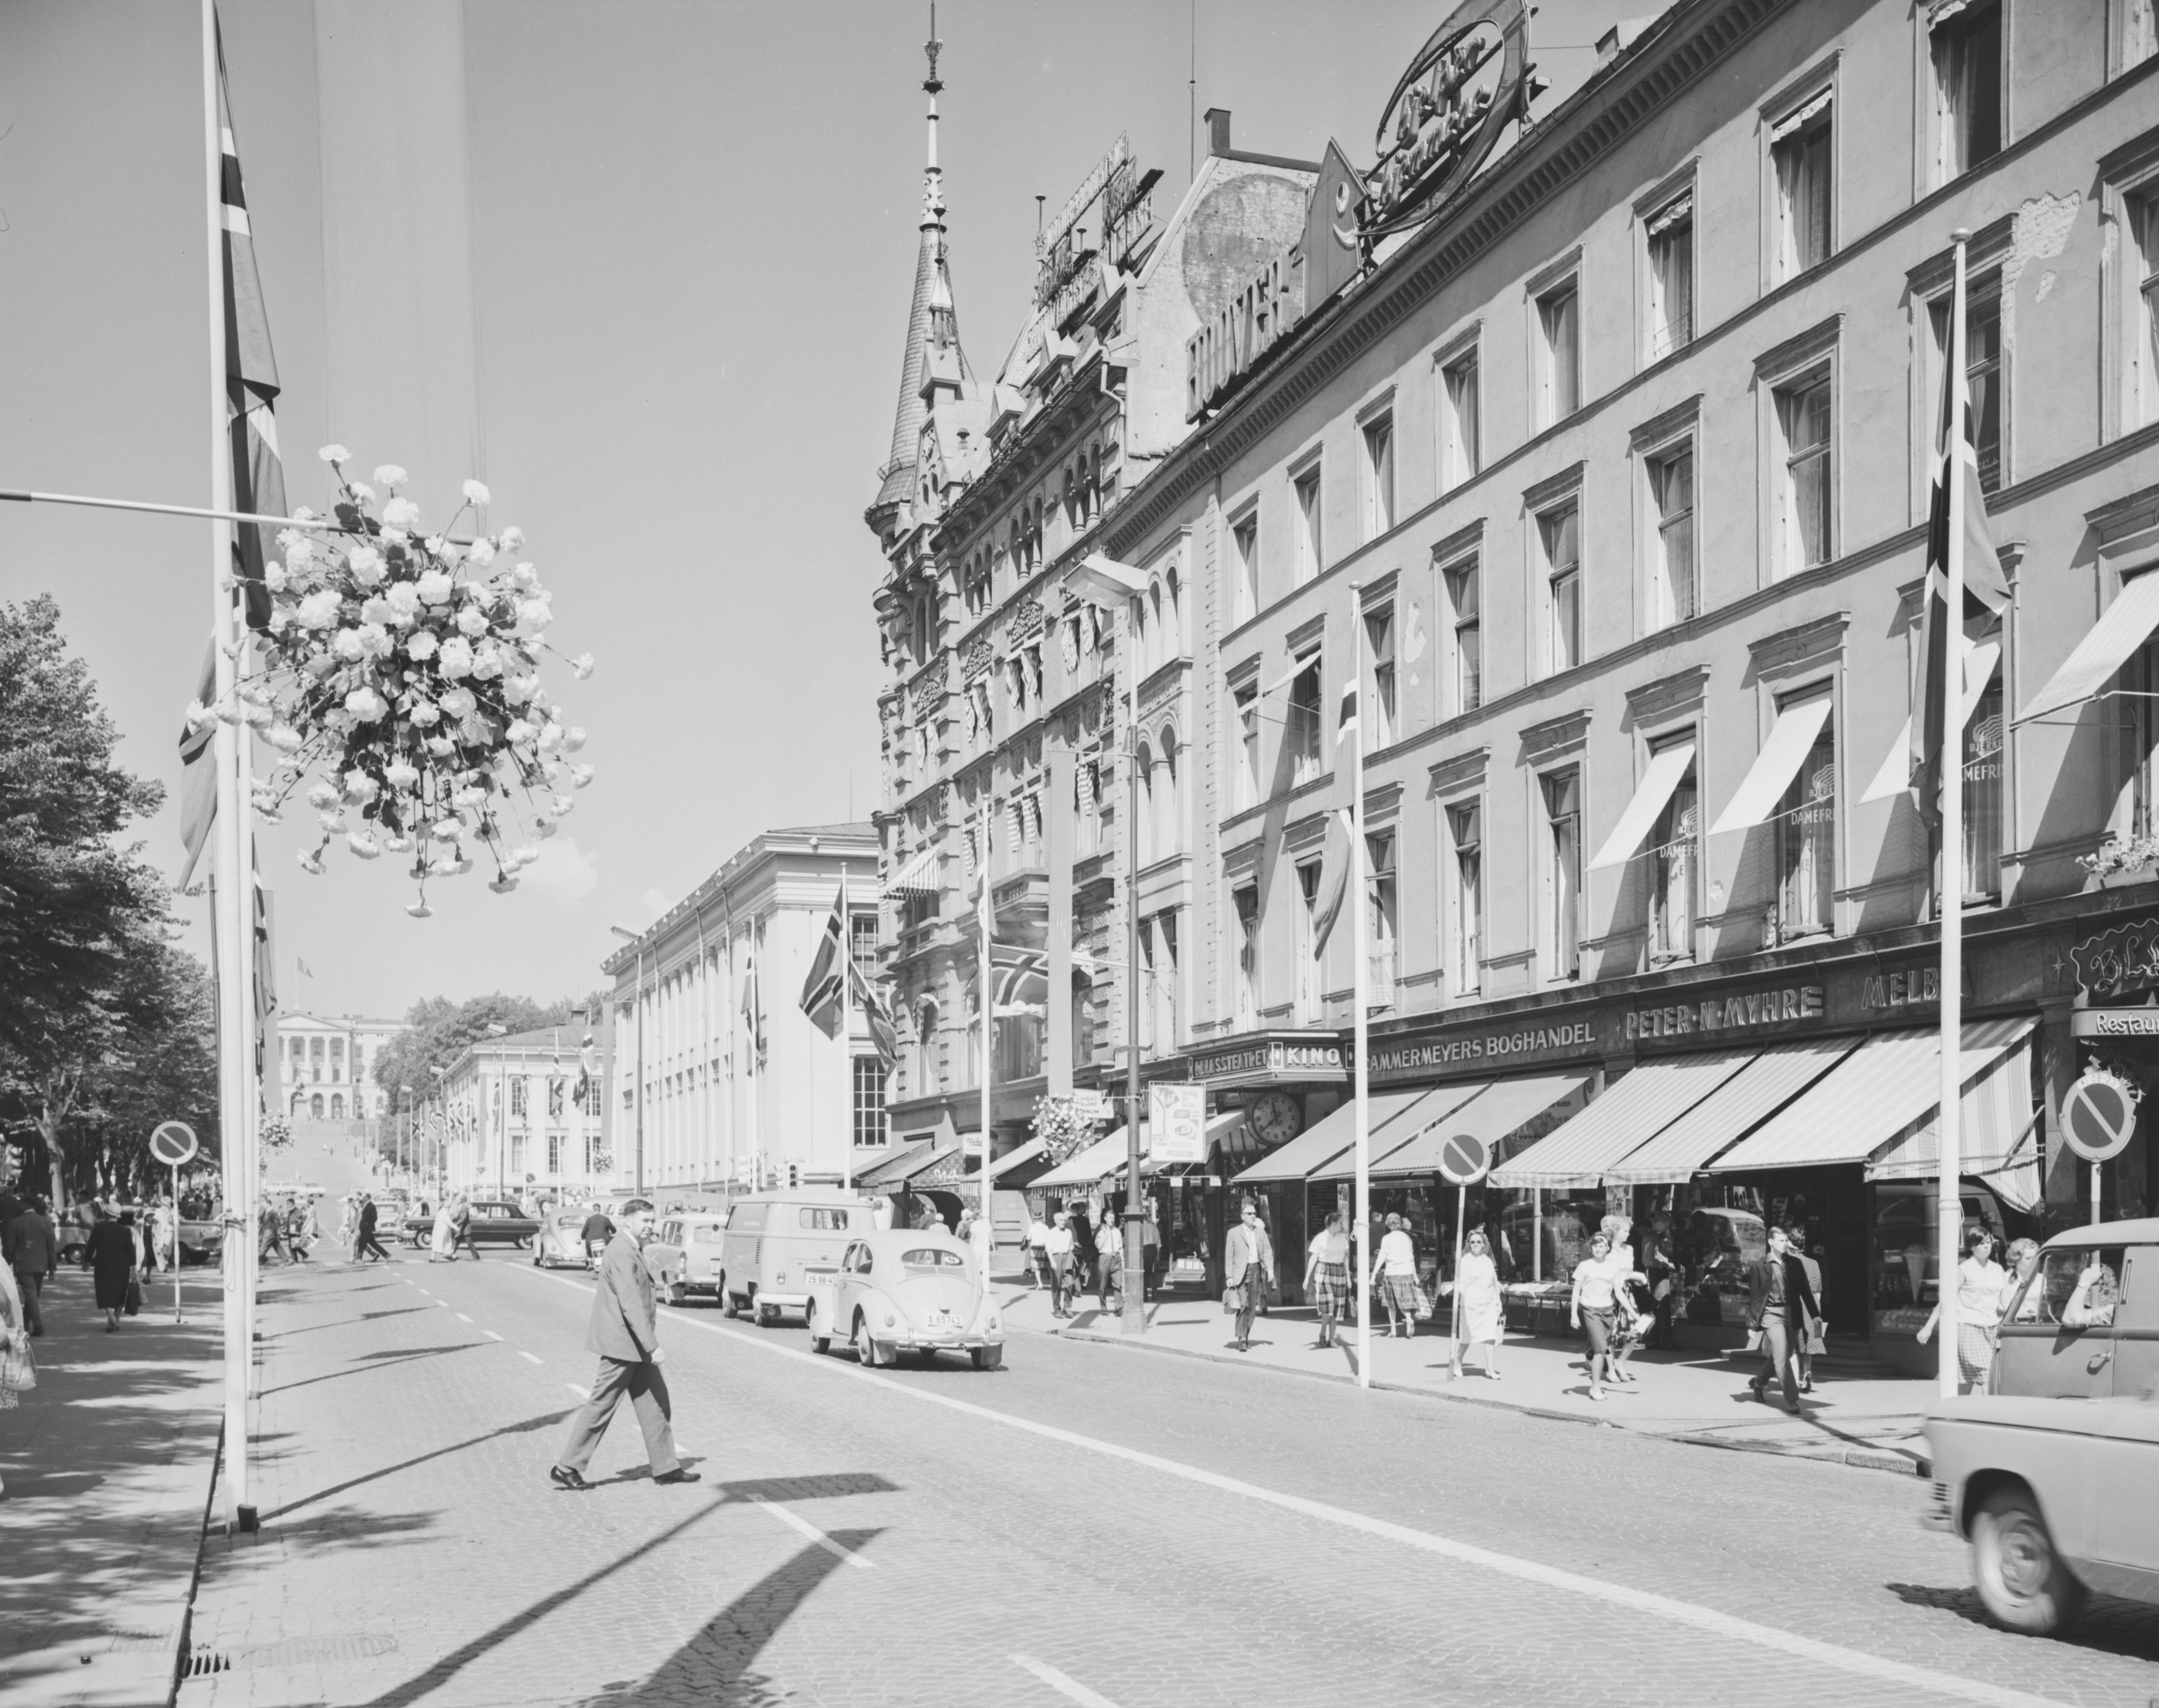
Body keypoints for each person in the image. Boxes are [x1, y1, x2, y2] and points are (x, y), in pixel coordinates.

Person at [550, 1199, 696, 1490]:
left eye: (652, 1221)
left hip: (633, 1344)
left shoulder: (629, 1248)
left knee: (656, 1403)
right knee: (601, 1405)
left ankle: (666, 1467)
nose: (650, 1227)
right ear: (628, 1220)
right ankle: (567, 1466)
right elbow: (631, 1303)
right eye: (645, 1221)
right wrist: (653, 1346)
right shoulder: (621, 1251)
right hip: (623, 1344)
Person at [1914, 1228, 2007, 1392]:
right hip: (1968, 1326)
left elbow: (2006, 1303)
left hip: (1992, 1327)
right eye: (1981, 1244)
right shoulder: (1964, 1270)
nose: (1987, 1247)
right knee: (1988, 1373)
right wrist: (1928, 1327)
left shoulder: (1998, 1269)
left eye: (1988, 1243)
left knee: (1966, 1381)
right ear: (1972, 1247)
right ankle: (1994, 1414)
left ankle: (1957, 1413)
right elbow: (1946, 1301)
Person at [1746, 1223, 1820, 1412]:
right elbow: (1755, 1298)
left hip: (1792, 1313)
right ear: (1771, 1242)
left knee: (1783, 1356)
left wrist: (1816, 1316)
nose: (1786, 1244)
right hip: (1771, 1315)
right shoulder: (1759, 1266)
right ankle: (1792, 1400)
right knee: (1782, 1358)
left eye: (1787, 1240)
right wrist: (1752, 1325)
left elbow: (1805, 1291)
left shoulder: (1795, 1263)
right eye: (1782, 1241)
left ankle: (1759, 1383)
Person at [1570, 1231, 1626, 1400]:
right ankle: (1595, 1388)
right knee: (1601, 1349)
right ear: (1591, 1248)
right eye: (1595, 1246)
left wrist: (1635, 1315)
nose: (1598, 1249)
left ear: (1608, 1248)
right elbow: (1576, 1291)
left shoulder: (1613, 1268)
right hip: (1590, 1310)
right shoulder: (1585, 1266)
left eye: (1602, 1246)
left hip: (1607, 1311)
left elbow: (1619, 1293)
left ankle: (1597, 1383)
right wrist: (1574, 1314)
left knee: (1602, 1349)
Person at [1450, 1228, 1504, 1380]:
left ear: (1484, 1245)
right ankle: (1458, 1363)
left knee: (1490, 1337)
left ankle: (1490, 1369)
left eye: (1478, 1242)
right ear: (1469, 1244)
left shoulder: (1488, 1261)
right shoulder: (1465, 1261)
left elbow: (1494, 1282)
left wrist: (1498, 1303)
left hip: (1488, 1305)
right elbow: (1461, 1283)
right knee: (1467, 1339)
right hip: (1471, 1305)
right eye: (1472, 1242)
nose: (1475, 1244)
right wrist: (1464, 1298)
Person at [1223, 1198, 1275, 1352]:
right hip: (1240, 1272)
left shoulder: (1260, 1232)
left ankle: (1245, 1335)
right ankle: (1242, 1339)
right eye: (1249, 1214)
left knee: (1252, 1307)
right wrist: (1229, 1277)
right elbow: (1229, 1257)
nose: (1253, 1216)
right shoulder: (1233, 1233)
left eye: (1254, 1213)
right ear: (1242, 1216)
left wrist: (1270, 1270)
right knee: (1243, 1304)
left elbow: (1267, 1252)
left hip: (1255, 1270)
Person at [4, 1198, 57, 1338]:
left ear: (26, 1204)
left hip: (23, 1264)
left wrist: (5, 1265)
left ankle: (38, 1325)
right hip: (42, 1265)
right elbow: (51, 1246)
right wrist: (53, 1268)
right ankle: (26, 1324)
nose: (19, 1205)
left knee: (31, 1295)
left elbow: (9, 1248)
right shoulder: (46, 1221)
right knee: (33, 1295)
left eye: (21, 1203)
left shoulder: (15, 1223)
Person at [1303, 1210, 1351, 1349]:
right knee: (1327, 1307)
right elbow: (1314, 1258)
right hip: (1324, 1272)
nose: (1342, 1226)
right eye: (1341, 1223)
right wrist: (1307, 1277)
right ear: (1334, 1224)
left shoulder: (1342, 1238)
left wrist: (1348, 1276)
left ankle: (1332, 1339)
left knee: (1336, 1308)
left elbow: (1345, 1257)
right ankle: (1323, 1333)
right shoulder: (1320, 1238)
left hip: (1339, 1272)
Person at [86, 1204, 137, 1333]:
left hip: (103, 1264)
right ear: (118, 1216)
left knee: (104, 1291)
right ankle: (117, 1321)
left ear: (107, 1214)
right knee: (120, 1292)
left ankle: (111, 1316)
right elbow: (131, 1250)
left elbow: (91, 1246)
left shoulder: (99, 1228)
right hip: (123, 1265)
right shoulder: (126, 1231)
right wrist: (134, 1268)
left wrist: (86, 1261)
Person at [1371, 1213, 1420, 1339]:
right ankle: (1409, 1318)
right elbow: (1411, 1259)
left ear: (1388, 1224)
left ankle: (1393, 1330)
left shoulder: (1387, 1239)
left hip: (1392, 1273)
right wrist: (1415, 1277)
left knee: (1391, 1304)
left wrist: (1374, 1275)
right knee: (1405, 1303)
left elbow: (1382, 1257)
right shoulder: (1407, 1238)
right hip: (1407, 1273)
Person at [1789, 1228, 1826, 1391]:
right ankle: (1808, 1372)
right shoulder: (1813, 1263)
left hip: (1797, 1304)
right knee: (1809, 1344)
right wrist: (1817, 1315)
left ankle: (1797, 1379)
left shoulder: (1789, 1262)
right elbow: (1818, 1292)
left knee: (1795, 1345)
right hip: (1812, 1307)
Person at [1044, 1211, 1076, 1319]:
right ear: (1056, 1221)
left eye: (1064, 1220)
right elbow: (1049, 1249)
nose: (1064, 1222)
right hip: (1056, 1258)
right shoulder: (1052, 1232)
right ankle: (1057, 1309)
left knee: (1070, 1283)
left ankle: (1067, 1307)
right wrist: (1052, 1262)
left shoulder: (1069, 1232)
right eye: (1061, 1220)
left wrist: (1072, 1247)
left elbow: (1071, 1245)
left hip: (1067, 1258)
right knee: (1056, 1285)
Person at [355, 1194, 393, 1263]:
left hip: (368, 1229)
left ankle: (359, 1258)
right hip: (366, 1229)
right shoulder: (366, 1205)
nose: (363, 1199)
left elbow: (375, 1218)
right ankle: (387, 1255)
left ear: (367, 1198)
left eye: (364, 1197)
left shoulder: (371, 1206)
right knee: (373, 1244)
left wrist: (367, 1224)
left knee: (362, 1243)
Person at [579, 1203, 615, 1269]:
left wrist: (583, 1237)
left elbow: (584, 1231)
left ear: (593, 1210)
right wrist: (612, 1232)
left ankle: (590, 1262)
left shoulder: (589, 1220)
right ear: (600, 1210)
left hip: (591, 1242)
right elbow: (614, 1229)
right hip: (603, 1242)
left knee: (589, 1249)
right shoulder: (606, 1219)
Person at [1025, 1213, 1052, 1291]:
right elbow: (1049, 1237)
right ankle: (1037, 1283)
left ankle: (1040, 1283)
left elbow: (1028, 1238)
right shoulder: (1046, 1227)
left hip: (1035, 1248)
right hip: (1044, 1248)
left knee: (1036, 1268)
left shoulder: (1032, 1227)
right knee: (1043, 1266)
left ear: (1034, 1218)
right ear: (1042, 1218)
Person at [451, 1195, 482, 1261]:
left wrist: (455, 1225)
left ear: (460, 1201)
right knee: (456, 1241)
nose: (456, 1202)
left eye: (457, 1200)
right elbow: (459, 1217)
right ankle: (451, 1255)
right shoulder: (460, 1207)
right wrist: (453, 1219)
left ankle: (476, 1256)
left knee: (469, 1242)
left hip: (465, 1229)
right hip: (462, 1229)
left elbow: (464, 1219)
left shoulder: (464, 1208)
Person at [429, 1198, 455, 1263]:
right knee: (443, 1244)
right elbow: (449, 1222)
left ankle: (453, 1256)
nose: (450, 1208)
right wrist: (457, 1228)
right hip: (442, 1232)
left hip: (441, 1231)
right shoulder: (445, 1212)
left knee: (443, 1244)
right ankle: (452, 1256)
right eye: (450, 1207)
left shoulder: (442, 1211)